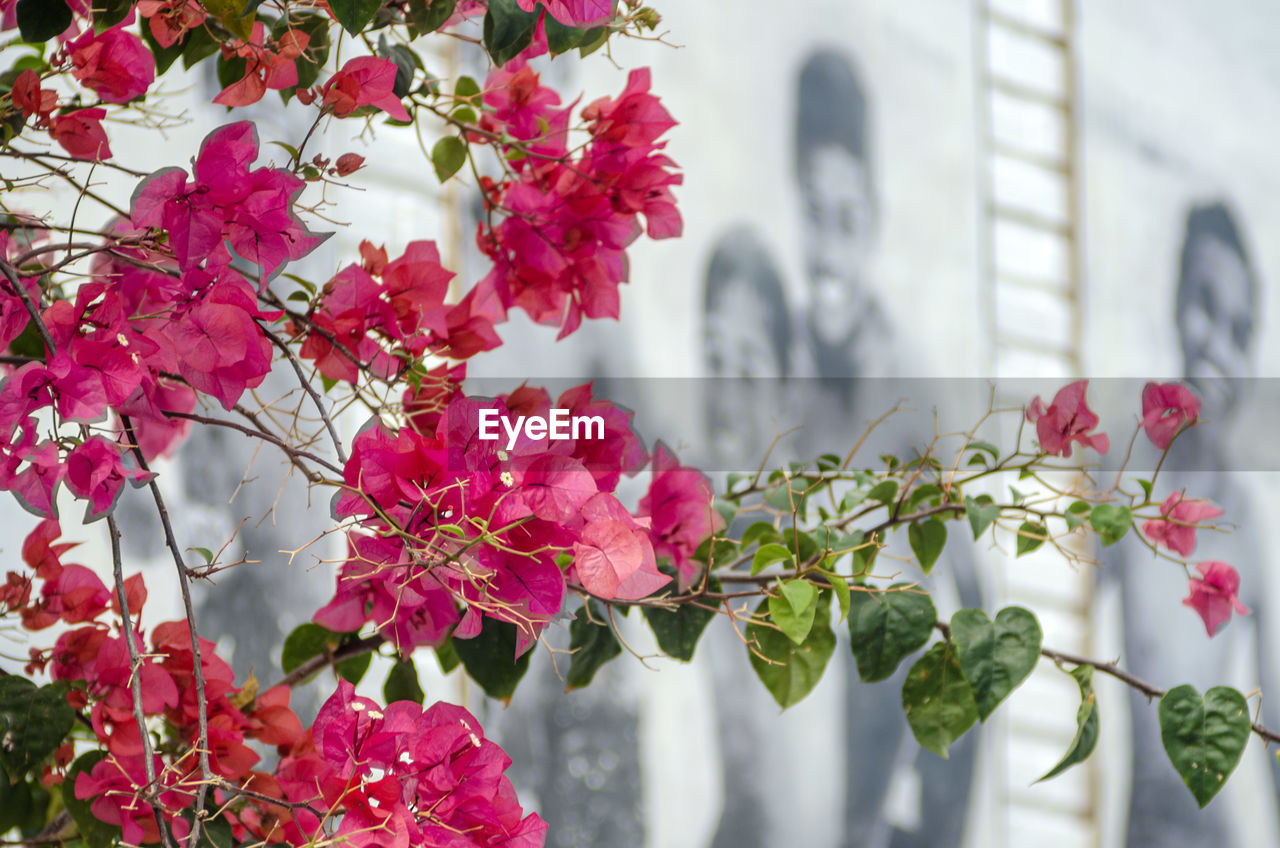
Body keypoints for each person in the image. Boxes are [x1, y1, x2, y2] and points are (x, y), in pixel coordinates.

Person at [1114, 201, 1269, 848]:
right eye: (1205, 305)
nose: (1218, 346)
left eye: (1241, 331)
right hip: (1140, 821)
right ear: (1175, 305)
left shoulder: (1249, 526)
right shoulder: (1122, 478)